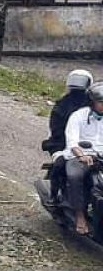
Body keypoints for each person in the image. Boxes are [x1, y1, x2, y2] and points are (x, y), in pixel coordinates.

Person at [43, 69, 93, 200]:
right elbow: (56, 131)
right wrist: (66, 147)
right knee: (59, 165)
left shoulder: (93, 104)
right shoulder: (61, 106)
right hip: (64, 144)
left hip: (90, 144)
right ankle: (54, 196)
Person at [62, 82, 103, 235]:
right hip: (80, 156)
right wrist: (82, 155)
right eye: (101, 102)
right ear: (92, 102)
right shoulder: (78, 116)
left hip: (101, 157)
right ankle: (80, 215)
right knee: (75, 176)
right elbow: (72, 141)